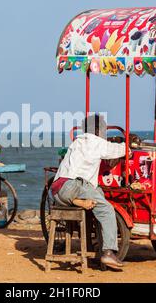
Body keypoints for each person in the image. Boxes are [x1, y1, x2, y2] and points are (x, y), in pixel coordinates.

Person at [50, 114, 127, 270]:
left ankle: (80, 203)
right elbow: (121, 150)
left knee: (95, 191)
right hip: (73, 186)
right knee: (106, 210)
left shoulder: (77, 141)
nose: (105, 133)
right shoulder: (96, 142)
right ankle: (108, 253)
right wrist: (129, 141)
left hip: (58, 190)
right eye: (104, 129)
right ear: (97, 130)